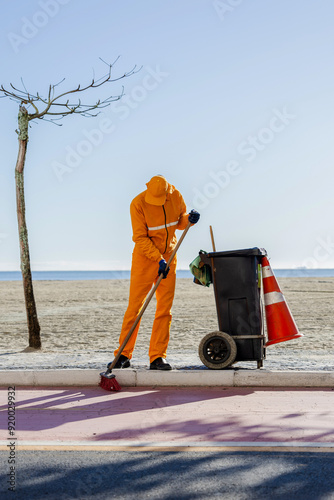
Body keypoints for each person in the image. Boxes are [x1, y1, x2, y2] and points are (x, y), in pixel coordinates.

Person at [113, 175, 200, 370]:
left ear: (168, 192)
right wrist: (157, 259)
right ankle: (123, 355)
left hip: (169, 256)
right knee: (134, 308)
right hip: (145, 259)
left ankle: (157, 357)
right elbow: (140, 237)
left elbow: (179, 222)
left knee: (164, 309)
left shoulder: (176, 195)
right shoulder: (138, 203)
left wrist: (190, 220)